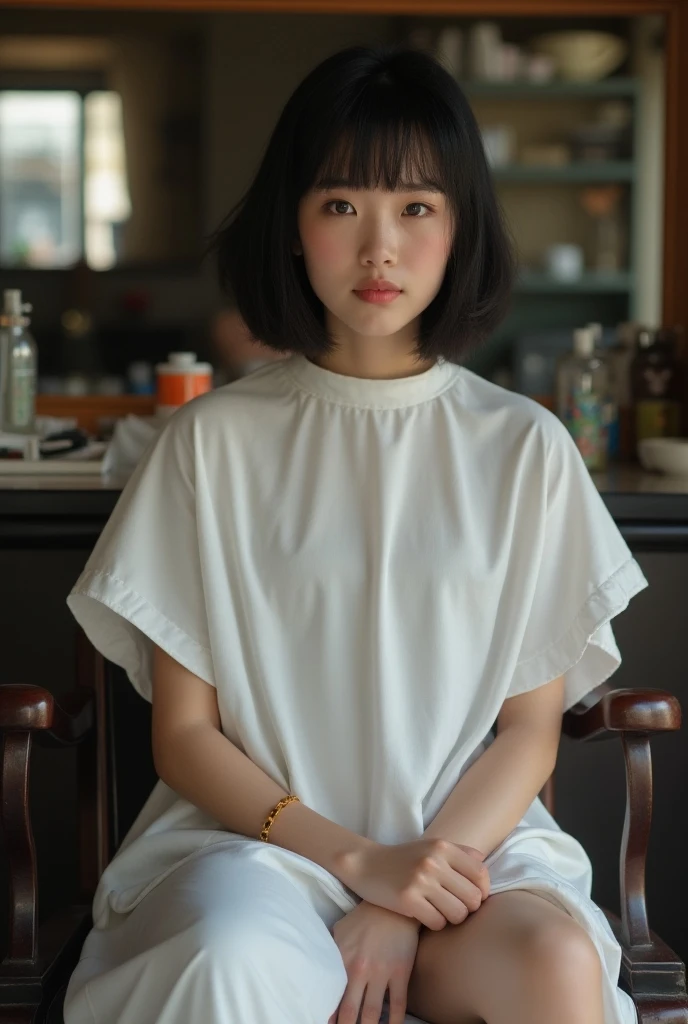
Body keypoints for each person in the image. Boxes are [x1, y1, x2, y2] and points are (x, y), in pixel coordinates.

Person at [62, 41, 648, 1024]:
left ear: (461, 227)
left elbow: (528, 728)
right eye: (341, 205)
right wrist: (357, 862)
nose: (379, 247)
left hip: (471, 858)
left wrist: (411, 892)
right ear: (293, 227)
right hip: (252, 852)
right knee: (228, 956)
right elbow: (185, 735)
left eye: (416, 207)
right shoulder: (211, 444)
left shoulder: (523, 447)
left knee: (552, 963)